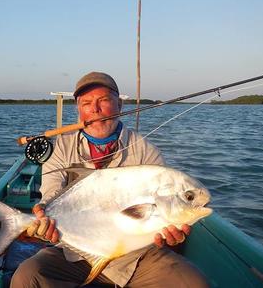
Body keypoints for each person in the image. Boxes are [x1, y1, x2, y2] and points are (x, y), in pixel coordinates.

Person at [11, 72, 208, 288]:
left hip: (135, 257)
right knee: (26, 277)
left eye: (103, 100)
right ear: (79, 109)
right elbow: (50, 195)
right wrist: (42, 216)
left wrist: (169, 236)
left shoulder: (146, 151)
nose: (95, 109)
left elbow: (153, 225)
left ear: (120, 105)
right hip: (76, 252)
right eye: (86, 103)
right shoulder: (62, 147)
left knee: (192, 282)